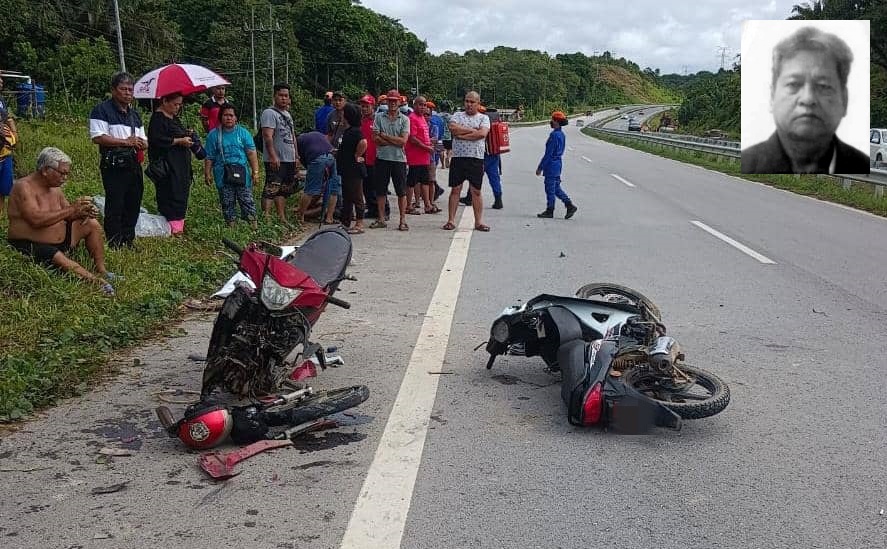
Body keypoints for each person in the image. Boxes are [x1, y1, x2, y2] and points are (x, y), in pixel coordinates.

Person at [741, 26, 869, 174]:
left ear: (844, 100)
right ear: (772, 96)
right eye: (794, 84)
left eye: (823, 86)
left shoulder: (863, 166)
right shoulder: (747, 164)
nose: (808, 99)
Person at [7, 147, 117, 296]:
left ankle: (101, 269)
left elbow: (68, 215)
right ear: (46, 170)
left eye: (67, 173)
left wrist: (83, 212)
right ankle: (96, 282)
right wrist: (72, 210)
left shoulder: (55, 188)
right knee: (59, 258)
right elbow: (35, 220)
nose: (65, 178)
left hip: (60, 238)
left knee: (91, 224)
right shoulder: (23, 187)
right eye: (62, 173)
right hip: (32, 243)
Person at [88, 72, 147, 248]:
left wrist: (140, 143)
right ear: (114, 90)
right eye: (123, 89)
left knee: (133, 201)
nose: (128, 93)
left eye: (130, 89)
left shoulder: (134, 115)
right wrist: (126, 142)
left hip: (133, 163)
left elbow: (144, 140)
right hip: (113, 164)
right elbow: (97, 137)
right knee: (115, 203)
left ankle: (128, 238)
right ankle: (114, 240)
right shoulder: (102, 110)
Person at [147, 92, 201, 234]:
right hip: (168, 167)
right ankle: (172, 228)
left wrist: (187, 133)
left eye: (179, 104)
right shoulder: (158, 119)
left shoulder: (174, 118)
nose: (178, 107)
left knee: (180, 193)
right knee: (170, 195)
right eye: (175, 104)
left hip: (180, 165)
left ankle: (178, 225)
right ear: (164, 101)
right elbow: (156, 140)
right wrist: (178, 141)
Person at [204, 104, 259, 229]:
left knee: (247, 200)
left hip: (242, 174)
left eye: (231, 115)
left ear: (236, 118)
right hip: (223, 174)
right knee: (227, 202)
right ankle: (231, 228)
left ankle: (253, 227)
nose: (228, 118)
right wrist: (207, 173)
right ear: (220, 117)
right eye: (225, 115)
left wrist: (255, 172)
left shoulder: (243, 133)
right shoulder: (213, 135)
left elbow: (251, 153)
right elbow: (209, 156)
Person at [442, 91, 490, 232]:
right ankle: (451, 220)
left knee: (476, 191)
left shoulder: (484, 118)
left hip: (476, 158)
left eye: (472, 102)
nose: (469, 104)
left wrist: (463, 136)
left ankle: (479, 221)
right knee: (456, 189)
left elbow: (482, 134)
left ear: (478, 104)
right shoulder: (457, 116)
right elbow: (453, 130)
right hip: (458, 158)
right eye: (467, 101)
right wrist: (471, 131)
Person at [260, 83, 300, 226]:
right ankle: (266, 218)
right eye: (281, 95)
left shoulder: (288, 115)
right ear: (275, 96)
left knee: (284, 190)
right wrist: (272, 155)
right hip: (276, 158)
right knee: (271, 188)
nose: (284, 99)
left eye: (286, 96)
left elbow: (292, 136)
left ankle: (282, 218)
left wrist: (296, 156)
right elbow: (267, 135)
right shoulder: (269, 113)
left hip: (289, 157)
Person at [370, 89, 410, 231]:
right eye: (390, 100)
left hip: (399, 159)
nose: (393, 103)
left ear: (399, 102)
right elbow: (375, 138)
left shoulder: (405, 119)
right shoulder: (379, 117)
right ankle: (381, 218)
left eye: (395, 101)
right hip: (382, 158)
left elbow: (403, 141)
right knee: (380, 190)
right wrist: (393, 140)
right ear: (387, 101)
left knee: (401, 191)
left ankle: (402, 219)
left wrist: (384, 136)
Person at [536, 111, 577, 219]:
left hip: (551, 165)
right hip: (558, 164)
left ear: (557, 122)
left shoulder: (554, 135)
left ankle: (550, 210)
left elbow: (548, 154)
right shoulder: (561, 134)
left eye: (553, 120)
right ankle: (569, 205)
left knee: (550, 189)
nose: (551, 121)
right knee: (556, 188)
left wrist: (540, 167)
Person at [296, 130, 341, 225]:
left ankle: (300, 217)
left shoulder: (298, 141)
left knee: (310, 190)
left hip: (316, 158)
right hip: (332, 156)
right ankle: (329, 218)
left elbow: (303, 161)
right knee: (333, 190)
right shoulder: (317, 134)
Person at [337, 103, 368, 234]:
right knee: (347, 197)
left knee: (357, 196)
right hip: (346, 169)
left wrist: (357, 155)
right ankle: (345, 222)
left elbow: (363, 142)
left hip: (354, 169)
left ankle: (359, 223)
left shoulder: (355, 131)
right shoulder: (347, 131)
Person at [405, 96, 434, 215]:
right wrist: (426, 147)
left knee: (425, 181)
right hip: (415, 156)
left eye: (424, 105)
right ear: (414, 105)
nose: (423, 107)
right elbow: (412, 138)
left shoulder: (421, 118)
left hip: (424, 156)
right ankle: (408, 206)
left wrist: (429, 144)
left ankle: (427, 205)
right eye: (420, 104)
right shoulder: (412, 118)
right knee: (412, 181)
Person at [0, 75, 18, 216]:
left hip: (5, 152)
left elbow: (7, 117)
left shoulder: (1, 100)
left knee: (4, 189)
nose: (1, 81)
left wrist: (13, 132)